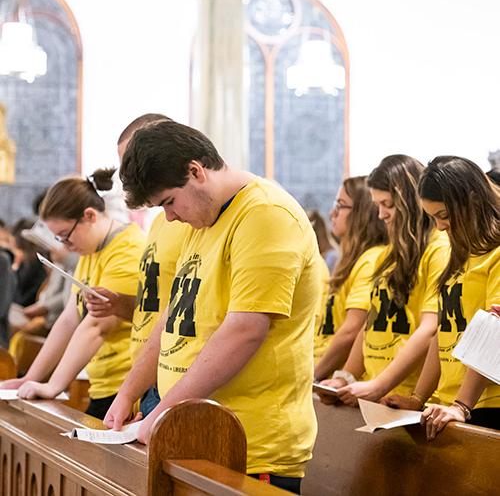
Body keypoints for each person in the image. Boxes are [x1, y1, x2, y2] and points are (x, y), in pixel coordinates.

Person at [102, 120, 322, 494]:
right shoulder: (202, 221)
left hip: (249, 446)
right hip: (197, 433)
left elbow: (244, 331)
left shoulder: (265, 215)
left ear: (195, 171)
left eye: (169, 202)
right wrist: (127, 393)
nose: (169, 217)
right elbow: (171, 318)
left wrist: (163, 413)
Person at [0, 169, 145, 420]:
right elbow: (69, 319)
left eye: (65, 236)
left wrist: (54, 385)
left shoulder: (127, 250)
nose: (64, 245)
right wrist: (31, 378)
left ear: (89, 216)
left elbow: (97, 326)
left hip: (124, 385)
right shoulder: (91, 251)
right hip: (103, 382)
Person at [320, 155, 449, 406]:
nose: (381, 214)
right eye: (377, 204)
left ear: (409, 202)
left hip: (402, 393)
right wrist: (346, 376)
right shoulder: (387, 254)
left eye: (387, 204)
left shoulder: (438, 250)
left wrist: (381, 385)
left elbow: (430, 329)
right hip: (374, 389)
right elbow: (370, 323)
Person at [85, 113, 190, 416]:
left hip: (172, 378)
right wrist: (119, 304)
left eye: (133, 159)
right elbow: (153, 307)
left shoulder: (190, 219)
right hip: (146, 375)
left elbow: (190, 311)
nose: (128, 175)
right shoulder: (160, 222)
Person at [416, 156, 500, 437]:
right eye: (433, 218)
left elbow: (496, 329)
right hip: (448, 401)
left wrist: (462, 405)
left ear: (473, 201)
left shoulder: (496, 252)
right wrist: (418, 397)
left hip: (487, 403)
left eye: (445, 215)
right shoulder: (461, 252)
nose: (440, 227)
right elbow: (444, 332)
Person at [314, 176, 387, 380]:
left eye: (341, 205)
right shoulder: (348, 260)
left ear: (363, 213)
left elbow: (353, 329)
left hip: (337, 379)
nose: (332, 213)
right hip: (326, 373)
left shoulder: (371, 259)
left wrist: (315, 377)